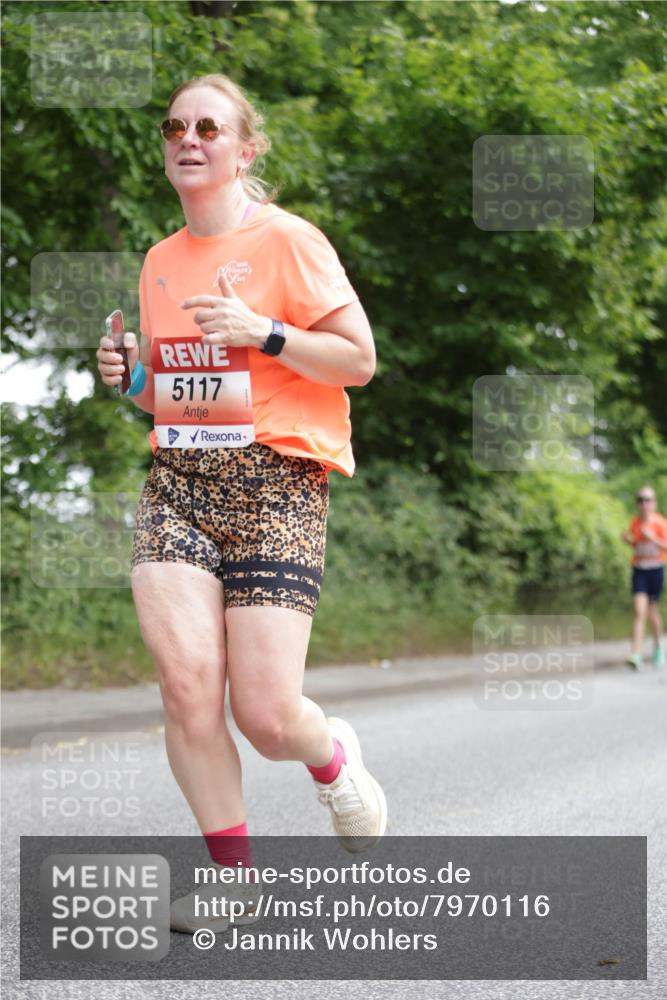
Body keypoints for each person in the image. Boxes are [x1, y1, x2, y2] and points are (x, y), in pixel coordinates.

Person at [95, 73, 387, 932]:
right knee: (187, 689)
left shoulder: (289, 241)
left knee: (264, 716)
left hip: (277, 485)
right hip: (181, 483)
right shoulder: (158, 260)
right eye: (174, 127)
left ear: (243, 147)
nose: (189, 139)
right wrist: (131, 378)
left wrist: (264, 331)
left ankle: (331, 758)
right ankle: (236, 881)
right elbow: (173, 398)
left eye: (209, 128)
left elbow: (358, 360)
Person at [621, 485, 667, 670]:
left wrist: (653, 538)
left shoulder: (660, 523)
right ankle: (636, 654)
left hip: (655, 570)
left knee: (652, 612)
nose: (644, 503)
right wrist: (628, 541)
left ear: (654, 503)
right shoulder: (635, 523)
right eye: (640, 499)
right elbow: (636, 544)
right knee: (639, 612)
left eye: (647, 499)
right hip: (639, 569)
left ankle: (658, 647)